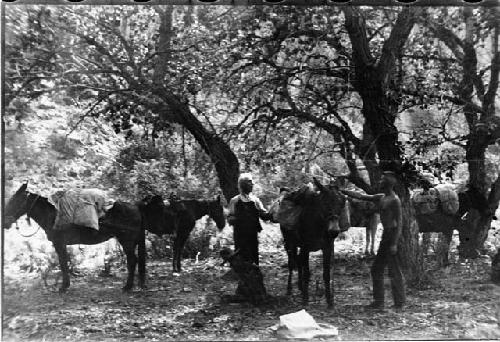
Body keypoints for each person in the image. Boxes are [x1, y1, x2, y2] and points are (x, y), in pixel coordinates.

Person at [341, 171, 406, 311]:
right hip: (386, 236)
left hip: (392, 235)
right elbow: (362, 196)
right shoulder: (381, 197)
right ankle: (379, 302)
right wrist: (342, 190)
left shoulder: (395, 200)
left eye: (382, 180)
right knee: (376, 269)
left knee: (394, 270)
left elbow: (400, 223)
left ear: (388, 184)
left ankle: (399, 303)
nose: (380, 182)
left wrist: (394, 243)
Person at [227, 173, 273, 266]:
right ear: (243, 185)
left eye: (252, 183)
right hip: (240, 235)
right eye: (249, 182)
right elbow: (230, 218)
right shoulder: (235, 201)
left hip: (252, 234)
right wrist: (240, 218)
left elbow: (264, 215)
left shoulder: (255, 200)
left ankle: (255, 276)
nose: (252, 184)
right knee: (241, 258)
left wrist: (274, 213)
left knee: (253, 257)